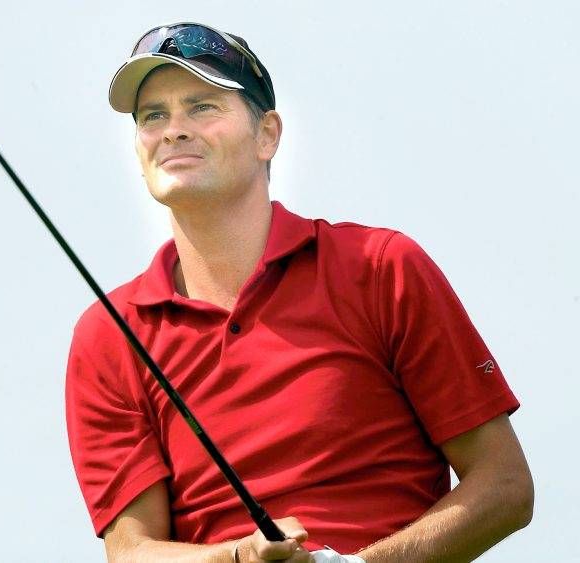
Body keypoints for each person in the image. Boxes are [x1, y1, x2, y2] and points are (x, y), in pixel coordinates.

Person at [65, 22, 533, 562]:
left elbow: (505, 486)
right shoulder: (108, 335)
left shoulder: (380, 268)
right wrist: (238, 558)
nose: (173, 131)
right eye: (153, 116)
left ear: (267, 135)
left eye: (201, 106)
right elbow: (131, 551)